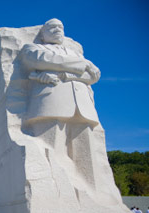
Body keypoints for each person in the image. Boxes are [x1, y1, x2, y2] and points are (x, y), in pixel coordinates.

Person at [20, 19, 108, 193]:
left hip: (82, 105)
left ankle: (92, 195)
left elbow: (93, 77)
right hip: (51, 103)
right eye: (52, 27)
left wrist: (65, 73)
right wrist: (83, 65)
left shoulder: (75, 54)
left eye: (61, 27)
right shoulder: (33, 49)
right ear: (42, 34)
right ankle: (55, 192)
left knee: (87, 158)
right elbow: (41, 60)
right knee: (52, 151)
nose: (58, 30)